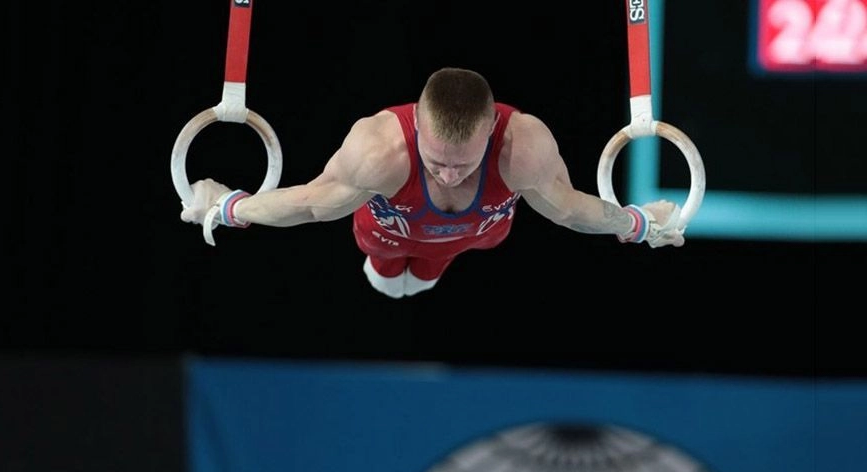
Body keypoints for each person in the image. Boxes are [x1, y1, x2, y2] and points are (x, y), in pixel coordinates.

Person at [181, 67, 685, 298]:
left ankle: (429, 264)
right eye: (437, 161)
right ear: (417, 126)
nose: (447, 173)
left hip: (473, 237)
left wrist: (639, 223)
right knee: (387, 282)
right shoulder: (379, 151)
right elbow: (312, 205)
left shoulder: (523, 147)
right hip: (385, 232)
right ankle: (389, 265)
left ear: (491, 130)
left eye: (464, 165)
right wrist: (227, 207)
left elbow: (571, 209)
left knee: (419, 281)